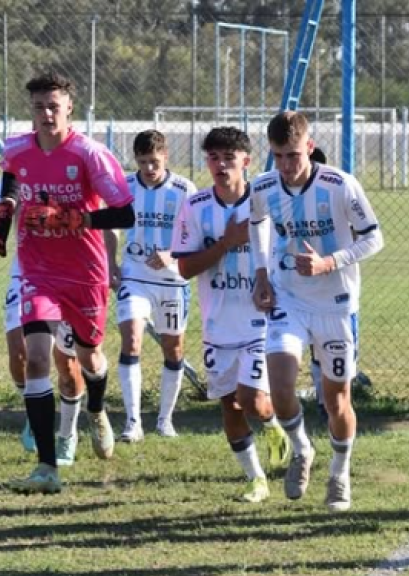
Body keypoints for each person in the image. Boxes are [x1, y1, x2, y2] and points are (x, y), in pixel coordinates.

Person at [0, 71, 136, 494]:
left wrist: (75, 219)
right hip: (38, 271)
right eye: (39, 106)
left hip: (84, 274)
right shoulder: (16, 148)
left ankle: (96, 409)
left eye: (53, 106)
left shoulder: (90, 154)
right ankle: (46, 467)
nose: (46, 114)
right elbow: (12, 178)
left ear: (69, 108)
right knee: (38, 358)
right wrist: (8, 206)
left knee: (90, 357)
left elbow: (125, 213)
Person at [250, 111, 384, 512]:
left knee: (336, 399)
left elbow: (374, 238)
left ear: (309, 147)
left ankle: (339, 474)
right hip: (289, 299)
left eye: (293, 155)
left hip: (337, 304)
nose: (285, 165)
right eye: (278, 156)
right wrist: (261, 273)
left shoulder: (339, 184)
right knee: (280, 387)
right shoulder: (264, 186)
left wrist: (329, 262)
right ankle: (302, 449)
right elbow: (257, 221)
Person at [171, 126, 290, 503]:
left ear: (246, 161)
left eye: (228, 158)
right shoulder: (195, 206)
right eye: (213, 158)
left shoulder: (266, 201)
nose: (220, 165)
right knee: (229, 404)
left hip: (262, 319)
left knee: (251, 400)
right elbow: (185, 268)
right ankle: (257, 479)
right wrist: (226, 243)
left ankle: (272, 423)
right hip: (218, 323)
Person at [105, 130, 197, 442]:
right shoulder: (125, 186)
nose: (148, 168)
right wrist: (111, 263)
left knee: (173, 348)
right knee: (131, 339)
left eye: (154, 161)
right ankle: (133, 423)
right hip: (134, 276)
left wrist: (172, 254)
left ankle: (164, 420)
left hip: (172, 281)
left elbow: (197, 235)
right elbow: (111, 226)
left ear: (165, 156)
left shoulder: (184, 189)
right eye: (143, 162)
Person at [0, 182, 86, 464]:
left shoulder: (74, 172)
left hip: (68, 276)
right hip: (26, 275)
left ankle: (67, 433)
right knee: (20, 354)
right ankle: (35, 412)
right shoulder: (16, 175)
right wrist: (6, 206)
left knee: (67, 365)